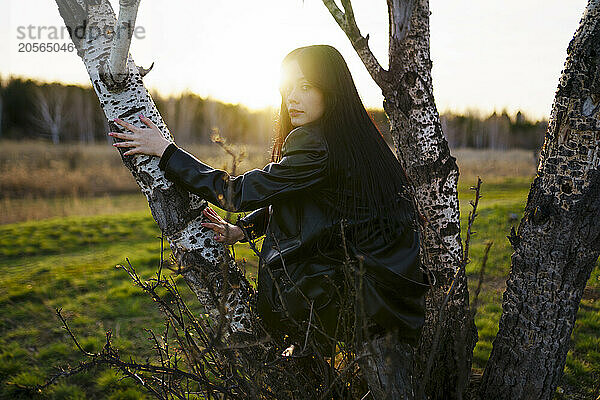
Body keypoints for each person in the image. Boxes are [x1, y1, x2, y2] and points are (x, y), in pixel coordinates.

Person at [109, 44, 429, 394]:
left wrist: (165, 151)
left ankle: (300, 353)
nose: (293, 97)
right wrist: (243, 230)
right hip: (387, 297)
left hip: (355, 301)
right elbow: (304, 198)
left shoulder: (314, 143)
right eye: (288, 87)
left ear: (331, 89)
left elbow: (235, 194)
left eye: (306, 86)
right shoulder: (353, 138)